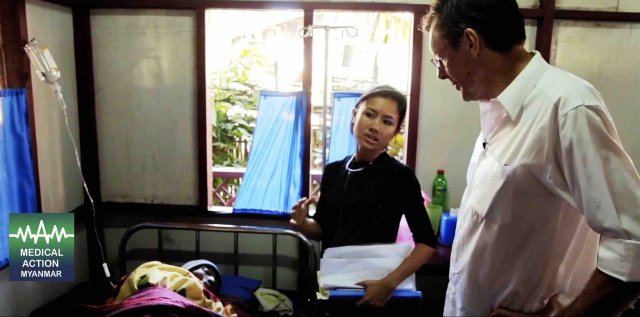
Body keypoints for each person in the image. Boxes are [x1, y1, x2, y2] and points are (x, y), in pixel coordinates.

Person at [422, 0, 640, 316]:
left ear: (471, 42)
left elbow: (632, 243)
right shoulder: (496, 112)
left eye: (441, 58)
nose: (441, 73)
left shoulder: (567, 108)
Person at [289, 85, 437, 308]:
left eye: (387, 122)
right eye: (369, 114)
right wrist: (303, 223)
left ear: (396, 131)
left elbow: (427, 243)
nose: (375, 127)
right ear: (354, 115)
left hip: (377, 288)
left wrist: (388, 284)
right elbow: (323, 229)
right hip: (334, 284)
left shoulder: (400, 176)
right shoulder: (334, 170)